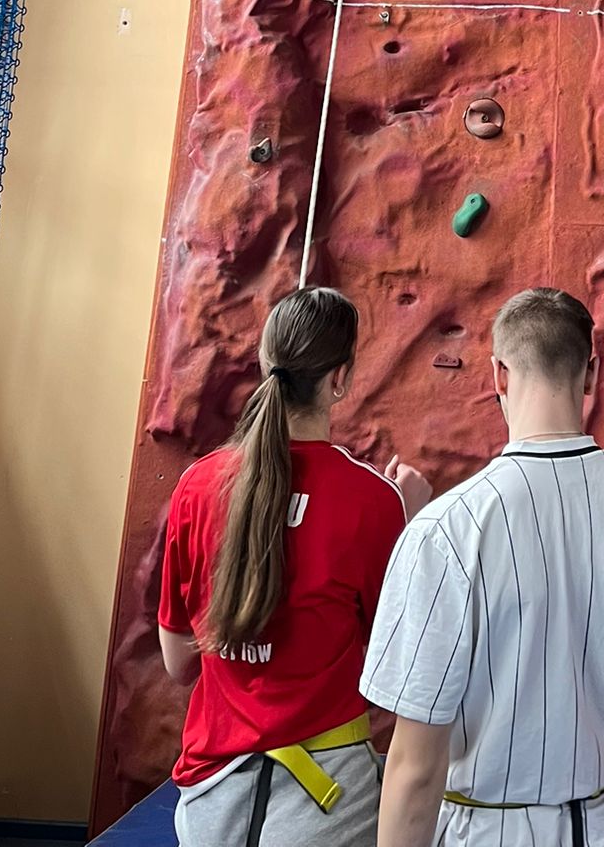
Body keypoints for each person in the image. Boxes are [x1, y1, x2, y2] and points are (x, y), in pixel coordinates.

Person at [361, 286, 604, 847]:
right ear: (591, 373)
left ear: (498, 374)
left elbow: (416, 768)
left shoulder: (446, 529)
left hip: (486, 834)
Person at [158, 287, 432, 846]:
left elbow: (178, 662)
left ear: (266, 364)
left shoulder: (196, 487)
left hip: (212, 803)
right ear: (339, 379)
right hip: (328, 807)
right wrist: (411, 522)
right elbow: (396, 668)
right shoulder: (372, 501)